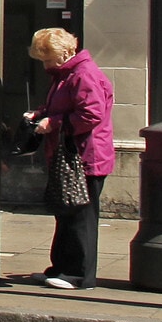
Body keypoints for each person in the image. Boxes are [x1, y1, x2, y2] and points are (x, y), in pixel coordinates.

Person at [23, 26, 116, 290]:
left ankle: (78, 274)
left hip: (84, 156)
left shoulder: (83, 74)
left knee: (79, 215)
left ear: (64, 53)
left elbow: (91, 115)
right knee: (66, 213)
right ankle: (61, 269)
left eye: (47, 59)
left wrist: (53, 122)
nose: (45, 65)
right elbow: (65, 106)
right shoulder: (68, 74)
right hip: (72, 155)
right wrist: (41, 113)